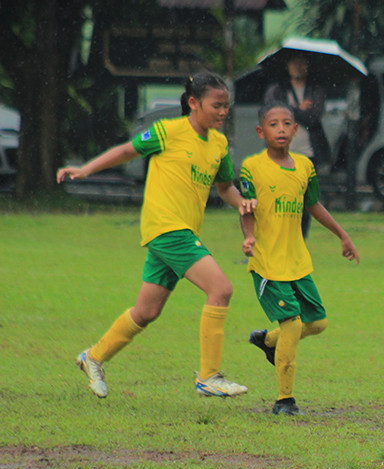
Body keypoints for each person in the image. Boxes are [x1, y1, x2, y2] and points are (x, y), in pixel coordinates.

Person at [58, 72, 255, 400]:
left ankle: (93, 357)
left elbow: (224, 188)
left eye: (226, 107)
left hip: (179, 232)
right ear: (193, 103)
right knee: (221, 289)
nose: (223, 112)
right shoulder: (167, 131)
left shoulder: (219, 144)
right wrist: (86, 169)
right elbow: (126, 151)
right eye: (216, 105)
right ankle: (209, 376)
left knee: (146, 312)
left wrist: (242, 203)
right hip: (166, 228)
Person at [240, 102, 360, 416]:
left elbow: (314, 205)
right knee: (292, 324)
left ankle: (268, 341)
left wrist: (342, 234)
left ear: (296, 130)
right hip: (267, 262)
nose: (280, 129)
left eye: (287, 123)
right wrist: (249, 236)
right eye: (273, 124)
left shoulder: (305, 166)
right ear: (260, 131)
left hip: (297, 261)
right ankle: (284, 400)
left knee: (317, 322)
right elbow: (247, 207)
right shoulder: (251, 167)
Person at [265, 53, 331, 238]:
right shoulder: (277, 89)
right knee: (280, 198)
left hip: (307, 152)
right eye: (294, 62)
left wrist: (288, 111)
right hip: (281, 152)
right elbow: (271, 113)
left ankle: (300, 239)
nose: (298, 67)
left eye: (302, 63)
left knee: (305, 201)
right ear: (287, 66)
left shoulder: (315, 90)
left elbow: (313, 117)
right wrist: (297, 109)